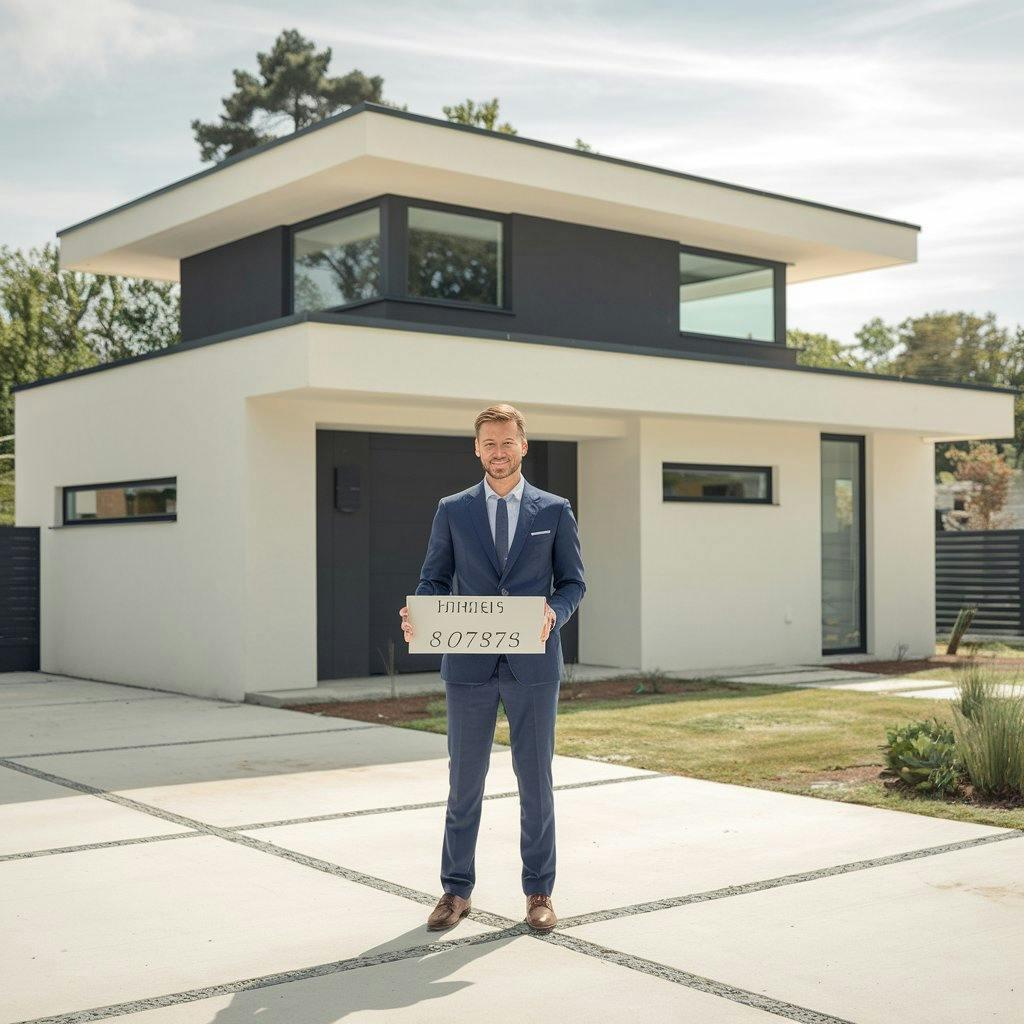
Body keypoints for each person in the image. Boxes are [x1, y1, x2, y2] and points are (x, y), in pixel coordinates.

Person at [399, 403, 586, 933]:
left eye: (507, 442)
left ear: (523, 445)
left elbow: (573, 583)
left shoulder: (553, 511)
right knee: (464, 782)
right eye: (489, 443)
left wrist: (555, 611)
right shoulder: (453, 510)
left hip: (533, 664)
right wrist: (420, 612)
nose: (498, 452)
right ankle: (455, 892)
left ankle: (539, 893)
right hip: (469, 666)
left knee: (536, 782)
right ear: (476, 448)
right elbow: (434, 579)